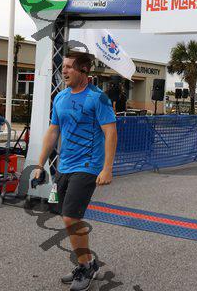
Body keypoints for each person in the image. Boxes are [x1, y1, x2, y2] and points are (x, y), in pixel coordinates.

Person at [32, 52, 117, 291]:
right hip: (65, 166)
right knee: (65, 215)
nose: (64, 70)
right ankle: (88, 263)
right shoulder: (60, 97)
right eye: (64, 66)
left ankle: (86, 267)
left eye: (69, 67)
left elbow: (110, 132)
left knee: (70, 217)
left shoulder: (98, 98)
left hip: (88, 166)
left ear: (84, 70)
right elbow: (53, 131)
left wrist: (107, 168)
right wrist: (40, 164)